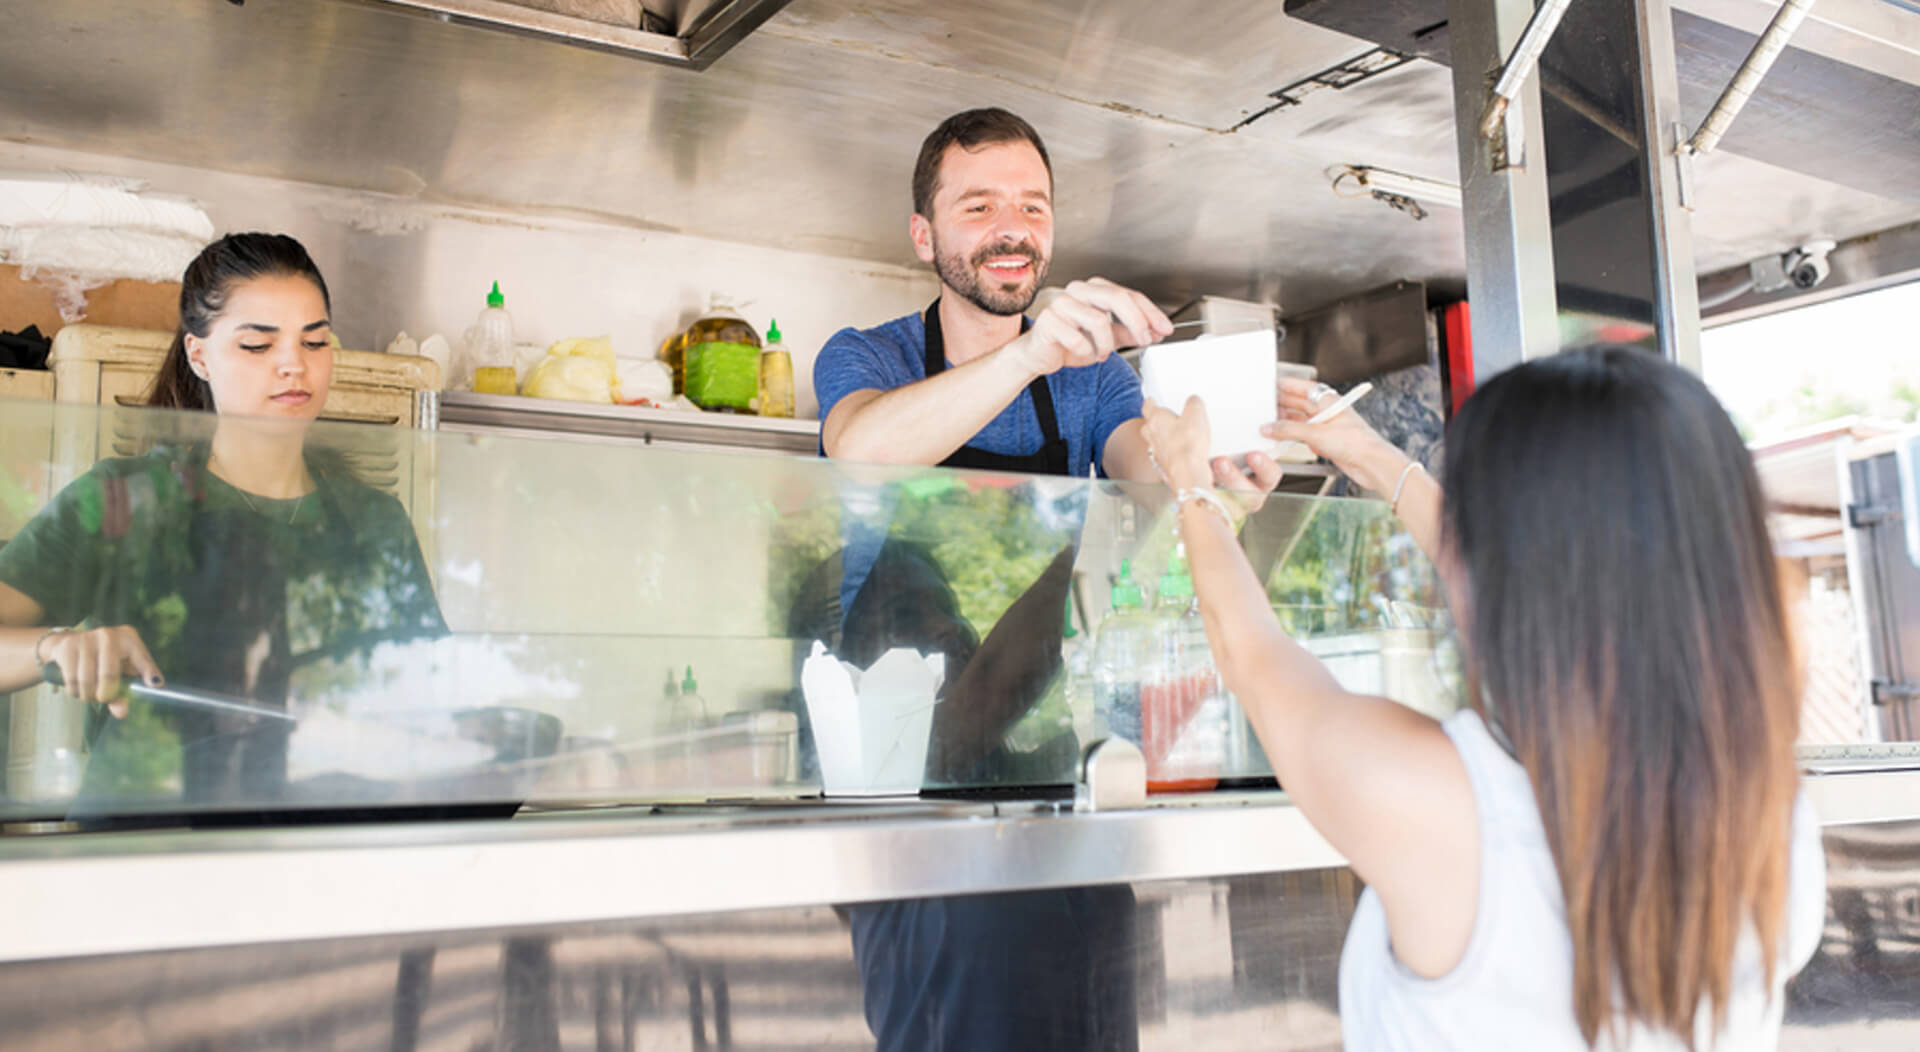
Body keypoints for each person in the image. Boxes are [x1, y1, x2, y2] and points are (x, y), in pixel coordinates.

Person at [1141, 349, 1827, 1050]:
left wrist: (1190, 481)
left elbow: (1254, 657)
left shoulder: (1446, 802)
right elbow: (1543, 580)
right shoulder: (1772, 807)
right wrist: (1365, 453)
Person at [0, 232, 447, 817]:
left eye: (315, 341)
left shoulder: (374, 521)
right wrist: (56, 647)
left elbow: (435, 695)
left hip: (322, 857)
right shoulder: (124, 498)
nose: (294, 364)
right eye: (258, 345)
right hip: (140, 858)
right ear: (198, 354)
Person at [814, 106, 1283, 492]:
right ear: (923, 237)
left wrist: (1211, 481)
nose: (1015, 230)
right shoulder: (866, 354)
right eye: (979, 207)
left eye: (1033, 208)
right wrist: (1025, 358)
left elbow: (1156, 483)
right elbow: (859, 457)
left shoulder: (1094, 376)